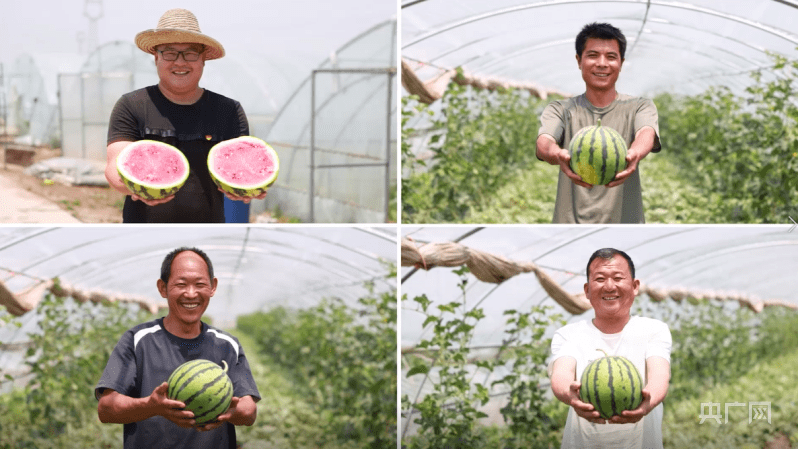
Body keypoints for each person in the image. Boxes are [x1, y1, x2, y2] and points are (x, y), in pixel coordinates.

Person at [104, 8, 266, 223]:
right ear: (156, 57)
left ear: (203, 59)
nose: (180, 62)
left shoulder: (228, 110)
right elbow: (115, 165)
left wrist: (249, 184)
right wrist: (134, 186)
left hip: (208, 227)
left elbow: (240, 165)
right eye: (169, 53)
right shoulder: (131, 105)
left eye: (190, 53)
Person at [96, 247, 260, 449]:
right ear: (163, 288)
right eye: (181, 284)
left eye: (200, 284)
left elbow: (249, 410)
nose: (191, 294)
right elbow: (106, 409)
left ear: (213, 286)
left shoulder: (228, 345)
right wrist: (151, 406)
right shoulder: (137, 340)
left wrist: (232, 411)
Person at [536, 23, 661, 223]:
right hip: (569, 224)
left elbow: (646, 133)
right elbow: (545, 141)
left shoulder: (640, 106)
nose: (602, 63)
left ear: (621, 62)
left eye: (611, 57)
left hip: (625, 224)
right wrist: (557, 154)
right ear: (579, 60)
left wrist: (634, 153)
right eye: (593, 55)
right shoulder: (560, 109)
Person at [548, 248, 671, 449]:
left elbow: (660, 375)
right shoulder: (569, 334)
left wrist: (648, 402)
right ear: (587, 290)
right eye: (600, 279)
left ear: (635, 286)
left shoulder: (653, 330)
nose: (609, 286)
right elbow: (561, 374)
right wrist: (569, 395)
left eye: (617, 277)